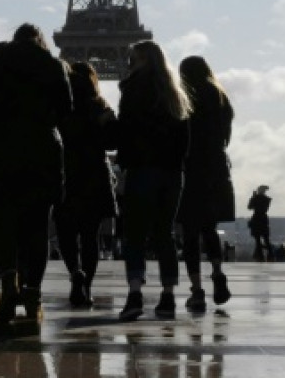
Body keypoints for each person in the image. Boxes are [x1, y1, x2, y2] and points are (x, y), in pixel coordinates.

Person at [0, 24, 72, 323]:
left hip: (2, 153)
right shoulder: (52, 65)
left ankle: (7, 283)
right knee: (38, 227)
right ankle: (33, 294)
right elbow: (66, 111)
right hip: (41, 151)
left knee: (5, 221)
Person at [116, 40, 191, 322]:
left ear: (144, 60)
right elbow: (185, 141)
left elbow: (125, 131)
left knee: (134, 234)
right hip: (172, 174)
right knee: (165, 235)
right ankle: (168, 297)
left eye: (132, 60)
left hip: (143, 169)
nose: (129, 65)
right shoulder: (176, 94)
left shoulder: (134, 89)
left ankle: (135, 295)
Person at [54, 61, 118, 310]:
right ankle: (87, 286)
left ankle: (75, 274)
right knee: (90, 236)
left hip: (65, 174)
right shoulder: (100, 106)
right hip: (94, 174)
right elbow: (113, 141)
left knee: (66, 232)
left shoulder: (60, 107)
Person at [176, 55, 234, 314]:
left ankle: (197, 290)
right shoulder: (221, 98)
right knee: (209, 227)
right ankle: (218, 272)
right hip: (217, 167)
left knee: (189, 232)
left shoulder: (185, 96)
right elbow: (225, 138)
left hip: (191, 167)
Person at [247, 187, 272, 261]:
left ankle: (261, 256)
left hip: (256, 219)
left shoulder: (256, 198)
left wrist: (253, 197)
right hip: (263, 219)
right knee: (266, 239)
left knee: (258, 240)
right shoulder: (267, 199)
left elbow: (249, 207)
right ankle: (270, 255)